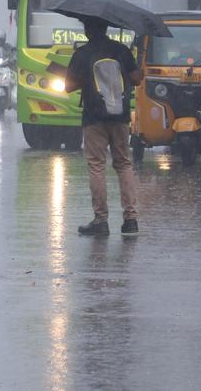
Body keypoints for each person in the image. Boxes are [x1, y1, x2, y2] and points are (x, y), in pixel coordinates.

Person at [64, 17, 143, 237]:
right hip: (120, 116)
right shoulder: (121, 50)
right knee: (124, 164)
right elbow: (137, 78)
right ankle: (130, 220)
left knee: (96, 165)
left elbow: (68, 86)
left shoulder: (82, 53)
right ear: (107, 28)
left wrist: (85, 79)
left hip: (94, 117)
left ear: (88, 29)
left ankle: (101, 221)